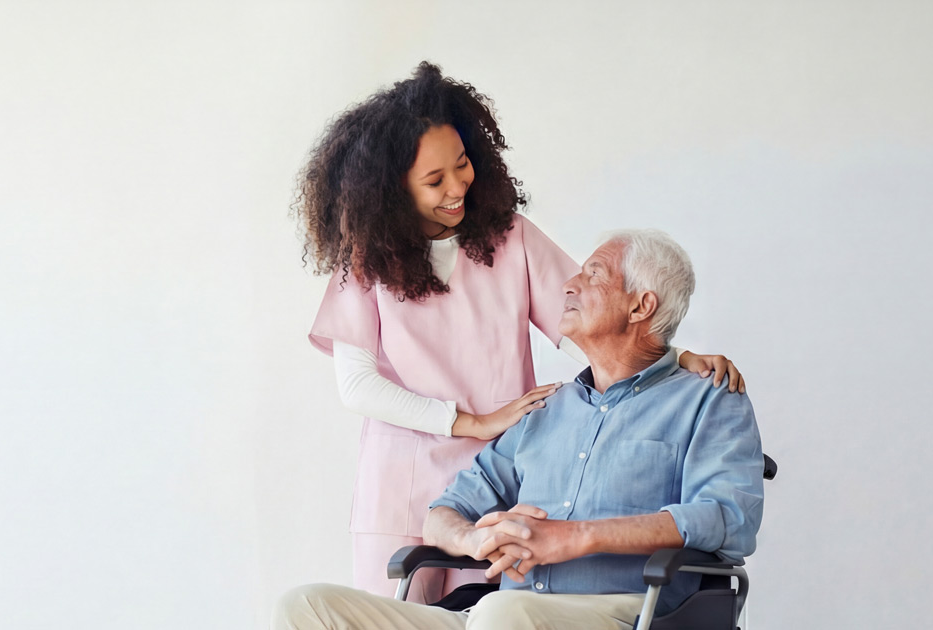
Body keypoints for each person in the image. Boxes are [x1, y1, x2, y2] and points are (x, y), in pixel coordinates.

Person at [297, 61, 746, 602]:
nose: (457, 185)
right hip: (400, 482)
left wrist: (679, 356)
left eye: (462, 165)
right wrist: (473, 421)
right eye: (434, 180)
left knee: (483, 615)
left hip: (498, 476)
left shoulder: (509, 238)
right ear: (390, 190)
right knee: (390, 614)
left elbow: (603, 315)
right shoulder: (364, 262)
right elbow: (357, 387)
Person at [275, 229, 765, 630]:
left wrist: (577, 538)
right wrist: (473, 541)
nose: (568, 284)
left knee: (501, 612)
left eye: (592, 274)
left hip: (624, 614)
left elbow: (727, 517)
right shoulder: (545, 411)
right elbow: (445, 510)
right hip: (500, 615)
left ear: (641, 307)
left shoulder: (709, 399)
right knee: (307, 608)